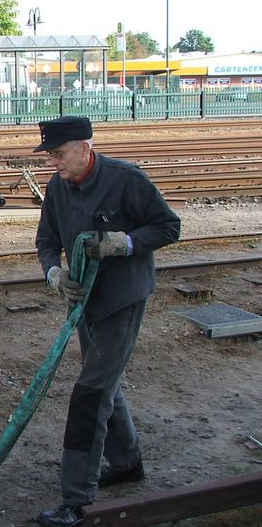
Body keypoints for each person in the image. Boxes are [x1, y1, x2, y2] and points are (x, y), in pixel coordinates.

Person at [32, 116, 181, 527]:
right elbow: (46, 240)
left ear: (84, 147)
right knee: (103, 383)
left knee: (90, 393)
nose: (55, 163)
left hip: (121, 299)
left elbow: (169, 226)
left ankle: (76, 501)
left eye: (59, 155)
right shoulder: (58, 187)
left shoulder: (126, 179)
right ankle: (128, 461)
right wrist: (54, 274)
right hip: (83, 304)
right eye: (51, 156)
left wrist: (126, 242)